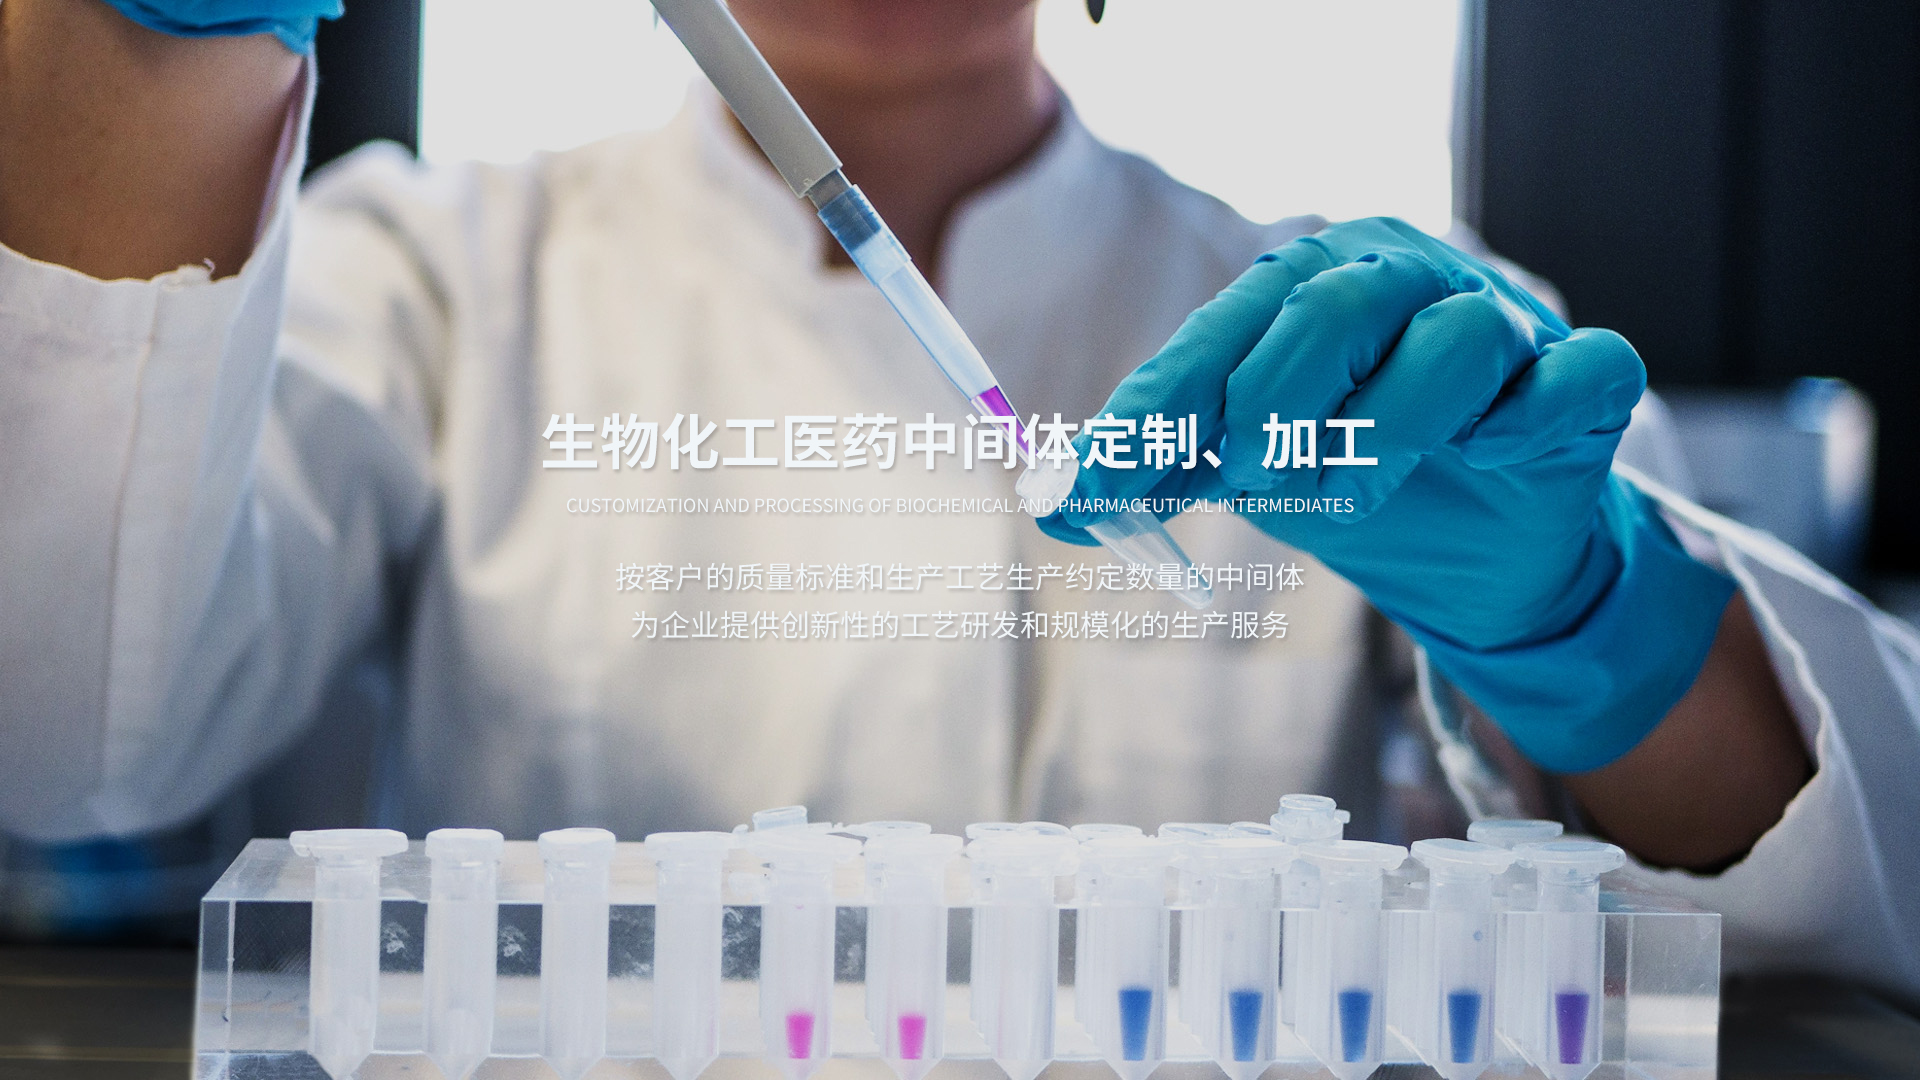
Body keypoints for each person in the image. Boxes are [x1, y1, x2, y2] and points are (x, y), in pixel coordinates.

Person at [0, 0, 1912, 1006]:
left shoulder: (1351, 337)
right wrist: (149, 55)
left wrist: (1599, 627)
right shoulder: (427, 276)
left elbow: (1829, 914)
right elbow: (67, 743)